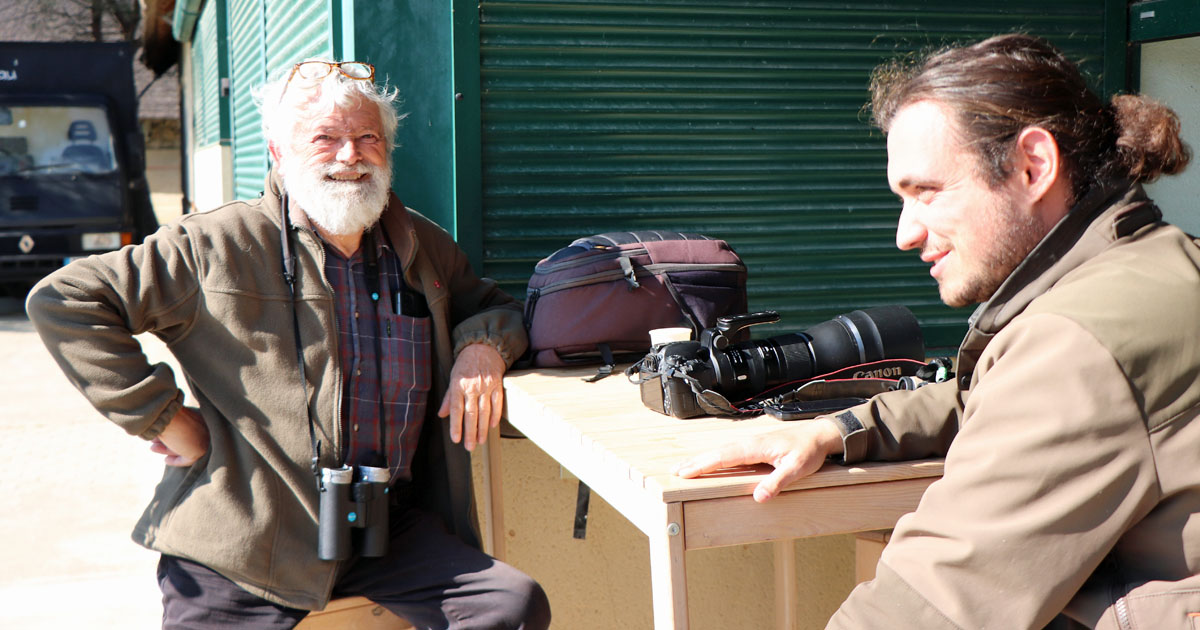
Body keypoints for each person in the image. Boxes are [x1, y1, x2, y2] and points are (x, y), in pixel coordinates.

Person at [675, 34, 1200, 629]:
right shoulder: (1155, 267)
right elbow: (991, 396)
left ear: (1034, 165)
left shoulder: (1081, 341)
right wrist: (841, 428)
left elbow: (928, 610)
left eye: (926, 192)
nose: (905, 233)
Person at [26, 59, 550, 630]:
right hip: (245, 540)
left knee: (512, 607)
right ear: (279, 152)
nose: (349, 156)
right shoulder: (212, 243)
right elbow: (65, 299)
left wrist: (482, 349)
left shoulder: (419, 244)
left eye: (367, 138)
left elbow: (497, 308)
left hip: (386, 528)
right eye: (325, 138)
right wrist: (163, 417)